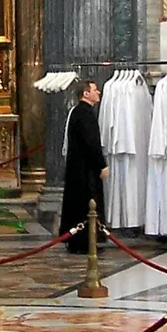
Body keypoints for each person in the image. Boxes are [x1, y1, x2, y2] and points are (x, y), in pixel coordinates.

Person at [59, 79, 109, 254]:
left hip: (80, 169)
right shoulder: (84, 114)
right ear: (86, 93)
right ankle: (85, 241)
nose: (99, 93)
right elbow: (92, 143)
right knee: (87, 203)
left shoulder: (80, 112)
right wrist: (101, 165)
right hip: (85, 171)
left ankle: (82, 241)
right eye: (95, 90)